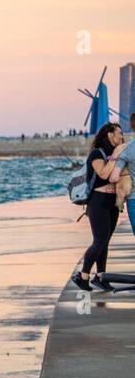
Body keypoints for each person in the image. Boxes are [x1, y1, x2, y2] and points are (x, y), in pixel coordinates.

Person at [73, 123, 125, 291]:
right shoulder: (97, 153)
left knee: (105, 242)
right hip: (98, 201)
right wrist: (116, 155)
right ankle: (83, 276)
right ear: (110, 135)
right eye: (119, 133)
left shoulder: (114, 154)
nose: (122, 137)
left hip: (112, 202)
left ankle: (100, 277)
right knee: (100, 240)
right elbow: (103, 173)